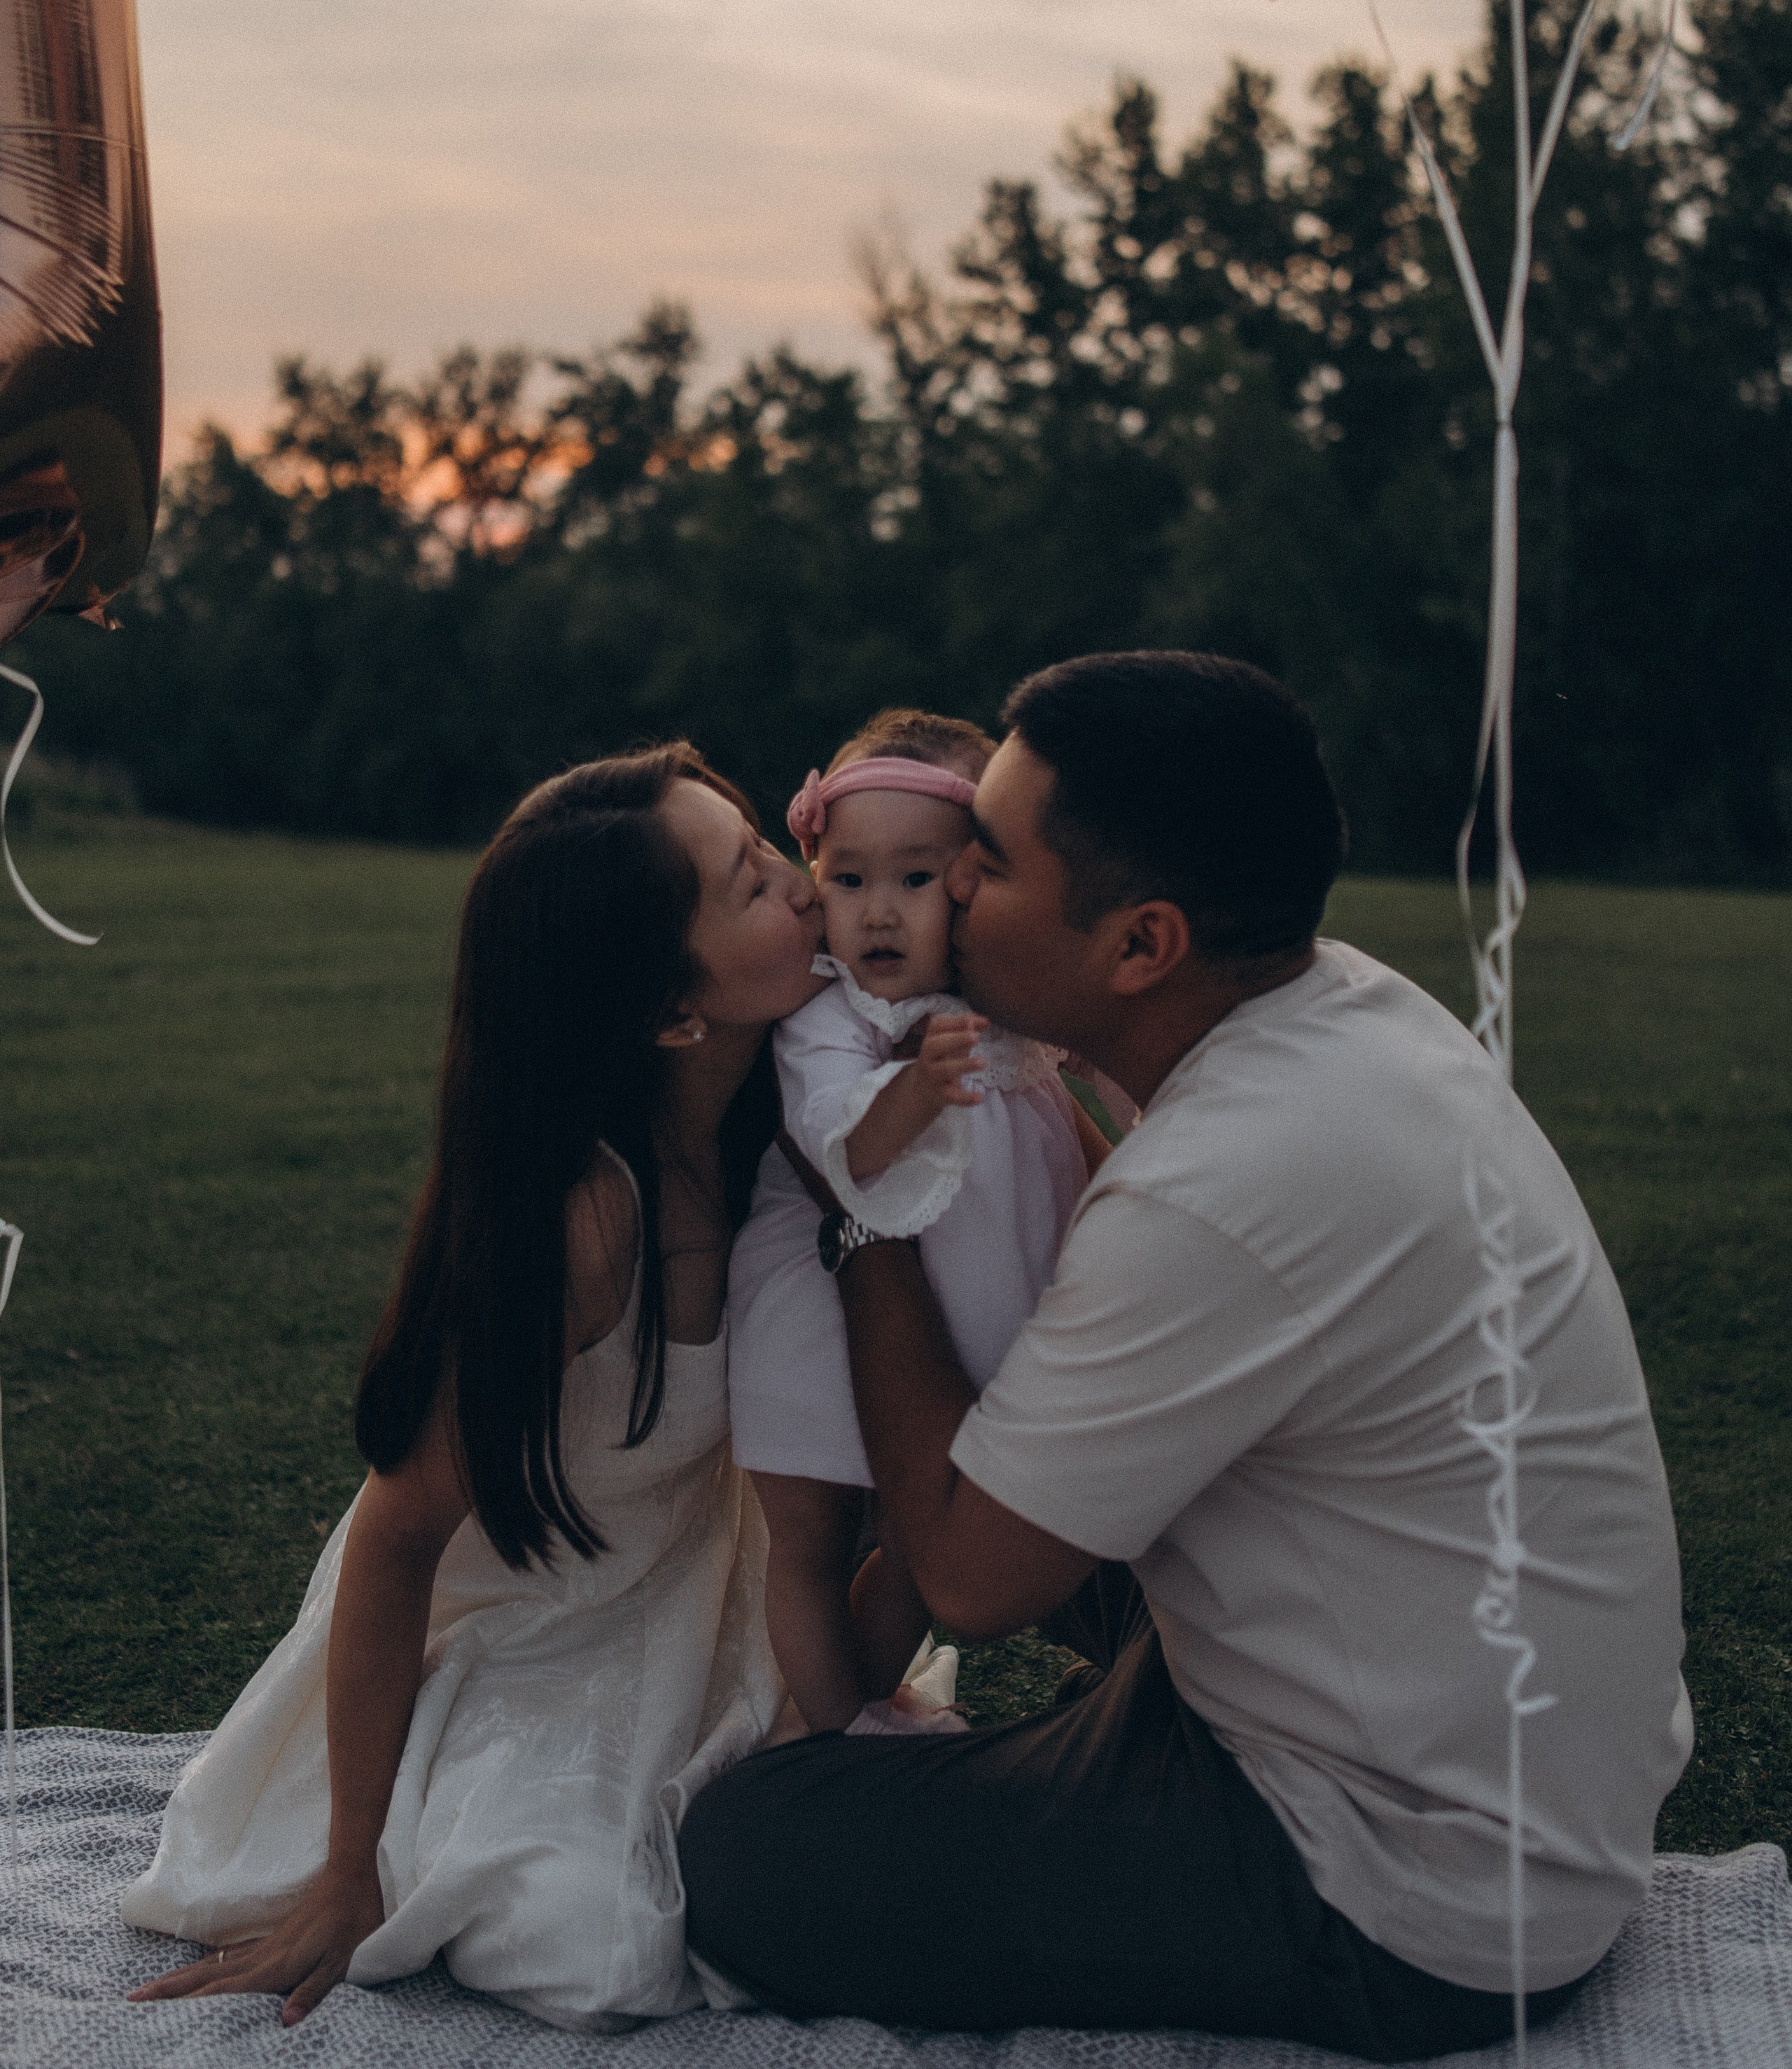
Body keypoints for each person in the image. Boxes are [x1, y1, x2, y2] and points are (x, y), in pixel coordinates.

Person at [681, 651, 1693, 2061]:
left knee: (745, 1850)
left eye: (984, 859)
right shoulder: (1342, 1010)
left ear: (1140, 943)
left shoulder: (1230, 1178)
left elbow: (971, 1577)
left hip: (1410, 1887)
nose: (942, 889)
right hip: (1479, 1740)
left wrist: (864, 1217)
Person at [123, 746, 824, 2032]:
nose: (805, 884)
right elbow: (394, 1545)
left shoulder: (796, 1108)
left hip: (699, 1605)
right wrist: (349, 1877)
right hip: (519, 1636)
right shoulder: (583, 1222)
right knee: (593, 1948)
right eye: (755, 880)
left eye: (767, 845)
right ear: (675, 1009)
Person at [728, 710, 1105, 1734]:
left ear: (976, 884)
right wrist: (918, 1090)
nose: (878, 914)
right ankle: (834, 1720)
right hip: (816, 1319)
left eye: (915, 879)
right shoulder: (835, 1015)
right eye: (848, 880)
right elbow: (834, 1135)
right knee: (809, 1541)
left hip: (951, 1328)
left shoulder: (999, 997)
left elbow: (1094, 1050)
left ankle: (855, 1710)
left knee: (913, 1538)